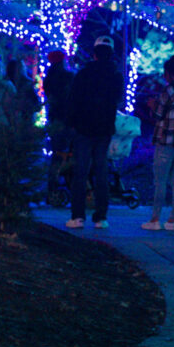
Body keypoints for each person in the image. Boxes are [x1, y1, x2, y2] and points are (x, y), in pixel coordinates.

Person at [62, 33, 124, 229]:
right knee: (101, 172)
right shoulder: (116, 75)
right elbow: (118, 100)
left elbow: (72, 101)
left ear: (95, 53)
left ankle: (78, 216)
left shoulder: (83, 74)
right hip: (104, 128)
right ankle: (101, 217)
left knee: (80, 172)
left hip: (84, 128)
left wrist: (71, 124)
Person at [143, 53, 174, 231]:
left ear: (170, 74)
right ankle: (173, 220)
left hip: (166, 140)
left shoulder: (169, 90)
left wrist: (151, 105)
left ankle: (155, 219)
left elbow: (158, 114)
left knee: (160, 180)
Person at [42, 49, 72, 195]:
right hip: (67, 119)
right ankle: (69, 183)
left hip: (54, 118)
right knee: (70, 152)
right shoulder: (68, 77)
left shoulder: (48, 78)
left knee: (56, 153)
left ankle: (52, 187)